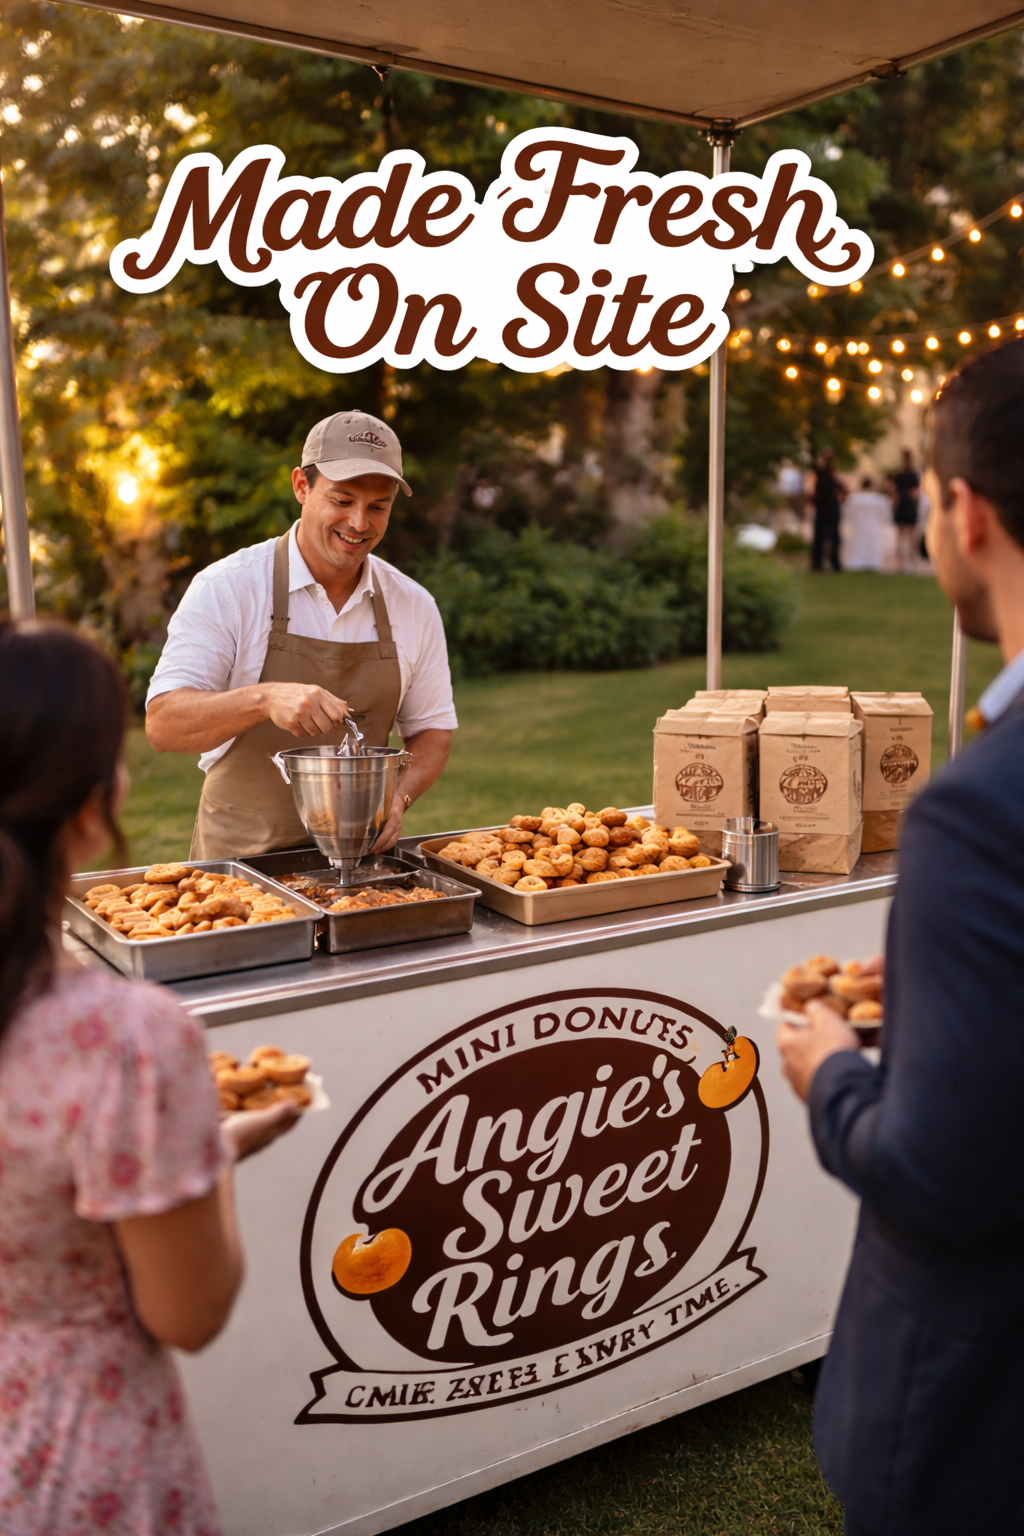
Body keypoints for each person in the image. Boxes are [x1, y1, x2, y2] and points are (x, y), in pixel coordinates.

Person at [777, 339, 1024, 1536]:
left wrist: (830, 1070)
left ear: (962, 514)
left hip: (980, 1428)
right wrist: (938, 998)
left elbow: (939, 1176)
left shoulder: (979, 811)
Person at [0, 617, 299, 1534]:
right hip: (71, 1464)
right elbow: (189, 1313)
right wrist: (209, 1158)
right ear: (92, 809)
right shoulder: (123, 1041)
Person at [146, 411, 457, 859]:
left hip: (361, 867)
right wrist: (263, 699)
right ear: (301, 487)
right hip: (238, 867)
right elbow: (163, 725)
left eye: (378, 507)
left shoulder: (413, 604)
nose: (359, 523)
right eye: (342, 500)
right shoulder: (229, 587)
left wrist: (398, 796)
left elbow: (432, 730)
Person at [842, 474, 890, 571]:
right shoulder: (880, 499)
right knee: (873, 543)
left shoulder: (854, 499)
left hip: (859, 525)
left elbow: (847, 513)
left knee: (858, 543)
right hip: (873, 525)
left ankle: (857, 561)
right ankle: (873, 561)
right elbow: (885, 515)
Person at [810, 448, 845, 571]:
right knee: (830, 537)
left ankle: (820, 563)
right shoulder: (827, 476)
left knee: (822, 537)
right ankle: (830, 563)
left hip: (825, 510)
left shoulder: (825, 476)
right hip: (828, 510)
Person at [888, 447, 921, 573]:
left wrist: (893, 507)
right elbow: (916, 492)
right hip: (910, 505)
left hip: (901, 505)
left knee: (900, 537)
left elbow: (894, 492)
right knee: (911, 537)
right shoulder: (914, 474)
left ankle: (900, 564)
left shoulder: (898, 474)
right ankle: (912, 564)